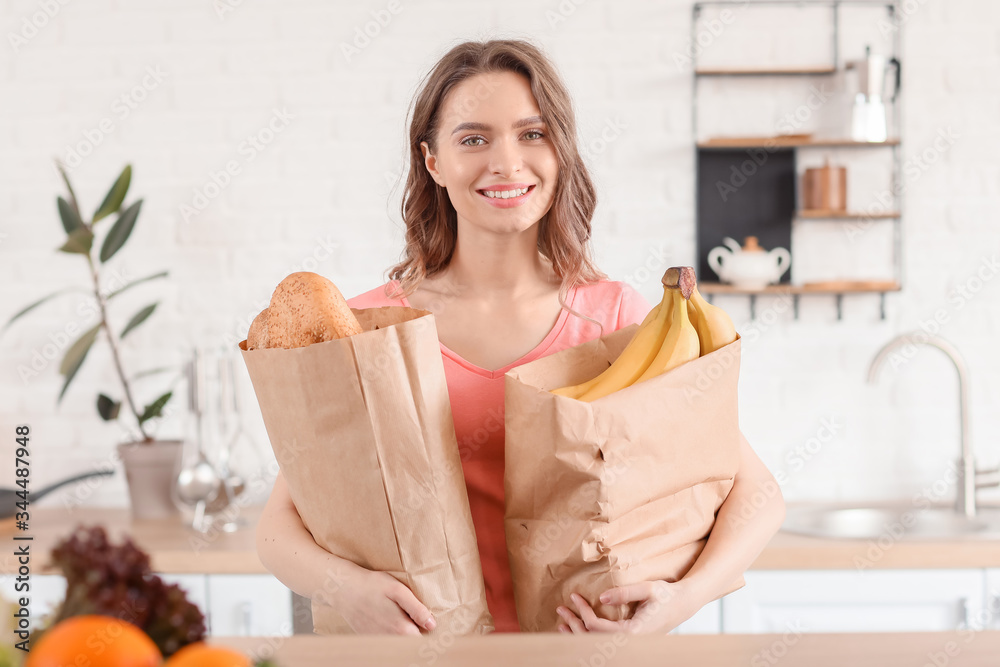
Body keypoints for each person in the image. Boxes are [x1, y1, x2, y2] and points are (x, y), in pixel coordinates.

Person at [255, 38, 785, 636]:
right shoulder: (368, 328)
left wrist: (681, 601)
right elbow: (277, 527)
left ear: (559, 152)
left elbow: (757, 493)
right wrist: (345, 589)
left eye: (532, 134)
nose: (506, 163)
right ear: (433, 162)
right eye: (474, 139)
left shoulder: (615, 320)